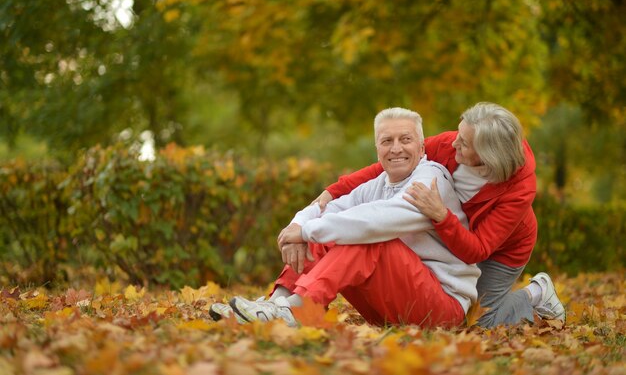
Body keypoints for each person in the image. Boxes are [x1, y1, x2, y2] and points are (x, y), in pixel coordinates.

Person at [210, 107, 480, 328]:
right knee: (327, 232)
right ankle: (274, 306)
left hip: (440, 311)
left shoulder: (431, 180)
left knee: (371, 239)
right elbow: (329, 210)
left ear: (422, 148)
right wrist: (299, 226)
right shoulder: (378, 184)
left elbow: (378, 221)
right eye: (387, 141)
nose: (396, 148)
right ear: (378, 149)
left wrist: (307, 231)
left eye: (405, 140)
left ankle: (299, 311)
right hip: (391, 308)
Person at [313, 102, 565, 327]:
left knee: (479, 322)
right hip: (456, 233)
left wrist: (442, 216)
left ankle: (536, 292)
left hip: (503, 249)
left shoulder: (519, 189)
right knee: (460, 314)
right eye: (459, 134)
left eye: (464, 143)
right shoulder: (448, 144)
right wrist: (334, 191)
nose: (454, 142)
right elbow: (393, 160)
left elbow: (477, 249)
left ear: (486, 156)